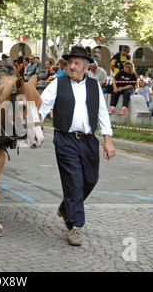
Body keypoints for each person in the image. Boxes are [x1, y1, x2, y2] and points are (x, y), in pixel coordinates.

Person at [39, 46, 116, 246]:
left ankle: (66, 207)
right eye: (70, 63)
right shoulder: (57, 84)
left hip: (89, 140)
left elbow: (102, 113)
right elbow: (42, 107)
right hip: (65, 138)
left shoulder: (94, 85)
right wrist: (33, 126)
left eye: (76, 63)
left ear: (86, 66)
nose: (72, 67)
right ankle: (75, 226)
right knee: (73, 180)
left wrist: (107, 140)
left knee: (90, 179)